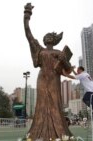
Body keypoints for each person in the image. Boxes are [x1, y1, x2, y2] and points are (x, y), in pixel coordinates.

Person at [24, 3, 73, 140]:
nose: (48, 37)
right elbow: (28, 34)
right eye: (47, 36)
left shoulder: (59, 52)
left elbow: (68, 68)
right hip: (42, 79)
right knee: (41, 104)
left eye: (51, 36)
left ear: (55, 40)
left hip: (54, 80)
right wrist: (27, 15)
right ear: (44, 39)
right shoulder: (39, 50)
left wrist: (63, 60)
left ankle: (59, 133)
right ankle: (38, 133)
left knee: (55, 104)